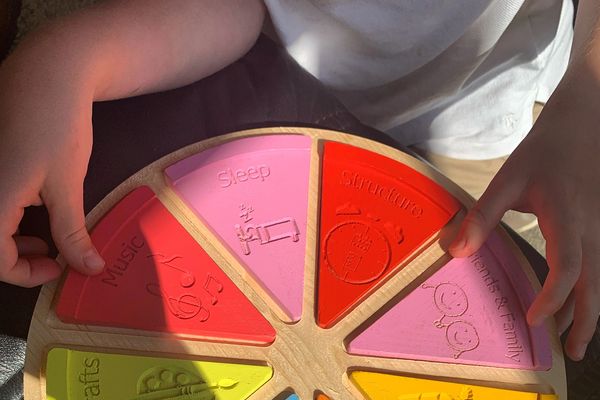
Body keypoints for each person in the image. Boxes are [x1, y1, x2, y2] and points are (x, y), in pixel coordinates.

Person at [0, 0, 598, 360]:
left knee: (475, 315)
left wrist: (586, 99)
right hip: (280, 80)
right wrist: (62, 62)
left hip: (487, 121)